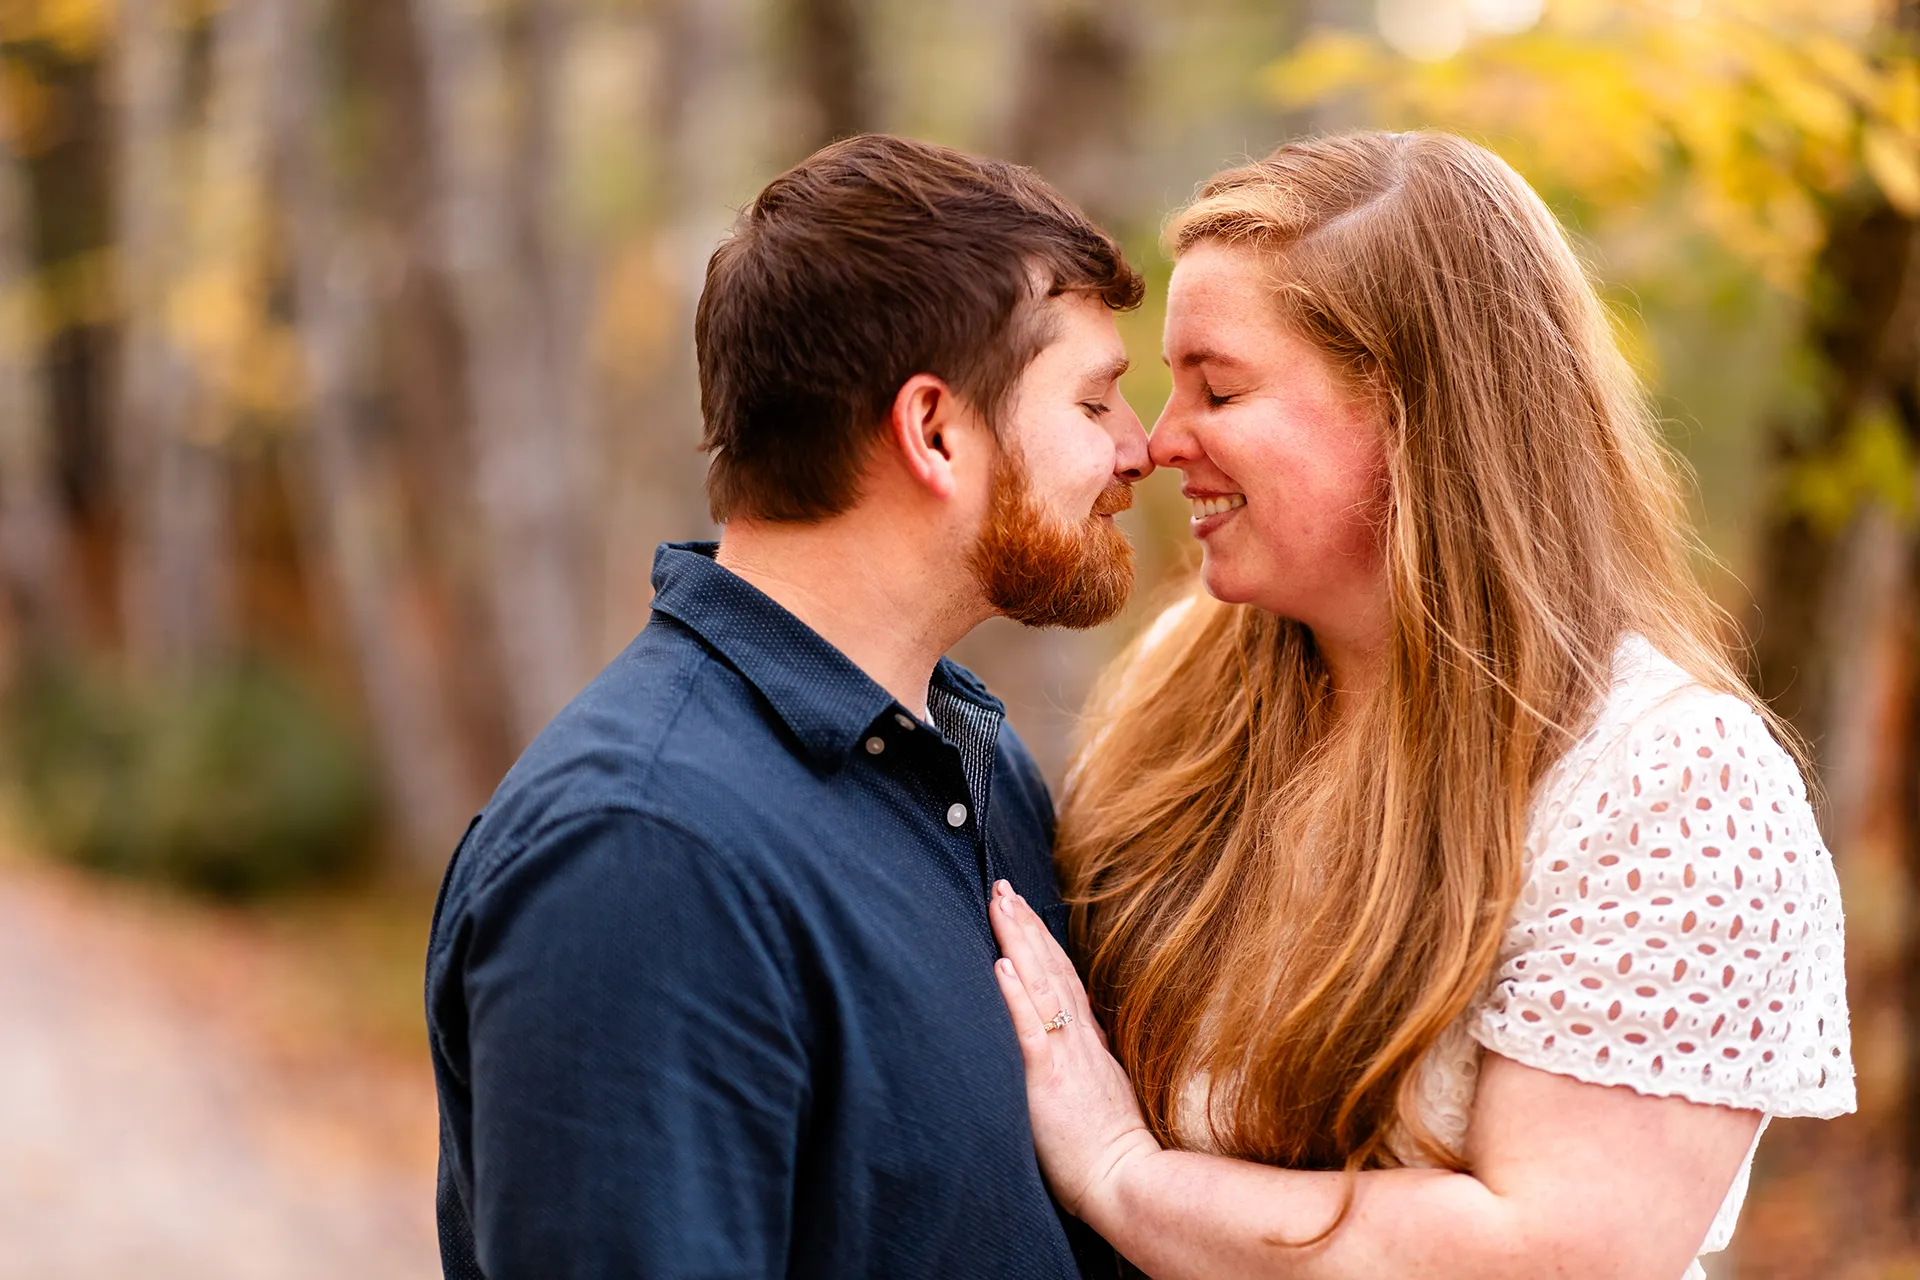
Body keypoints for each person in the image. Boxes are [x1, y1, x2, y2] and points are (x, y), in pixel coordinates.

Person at [987, 130, 1855, 1280]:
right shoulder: (1177, 687)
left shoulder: (1668, 778)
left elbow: (1556, 1251)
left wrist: (1123, 1177)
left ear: (1413, 409)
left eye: (1219, 385)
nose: (1157, 441)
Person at [425, 133, 1152, 1278]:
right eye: (1097, 398)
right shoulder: (642, 850)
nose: (1138, 447)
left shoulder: (972, 761)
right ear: (934, 431)